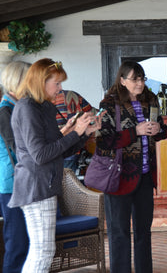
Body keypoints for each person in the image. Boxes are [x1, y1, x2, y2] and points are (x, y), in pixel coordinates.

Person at [7, 58, 102, 272]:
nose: (60, 89)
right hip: (35, 187)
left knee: (44, 251)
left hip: (44, 185)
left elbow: (59, 151)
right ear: (41, 81)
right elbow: (40, 155)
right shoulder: (27, 108)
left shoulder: (43, 107)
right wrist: (75, 131)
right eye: (56, 83)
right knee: (42, 252)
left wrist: (84, 134)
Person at [96, 61, 167, 273]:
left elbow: (162, 130)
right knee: (119, 233)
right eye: (134, 79)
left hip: (145, 176)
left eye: (142, 78)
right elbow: (103, 140)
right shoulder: (109, 104)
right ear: (122, 80)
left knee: (143, 232)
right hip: (118, 178)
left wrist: (158, 129)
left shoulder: (150, 100)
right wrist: (134, 132)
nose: (140, 83)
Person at [0, 61, 31, 273]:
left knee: (25, 245)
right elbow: (18, 149)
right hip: (12, 185)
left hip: (20, 183)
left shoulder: (16, 107)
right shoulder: (5, 111)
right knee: (17, 244)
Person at [54, 90, 95, 174]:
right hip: (73, 146)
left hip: (54, 151)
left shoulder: (40, 102)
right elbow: (91, 113)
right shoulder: (72, 94)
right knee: (72, 182)